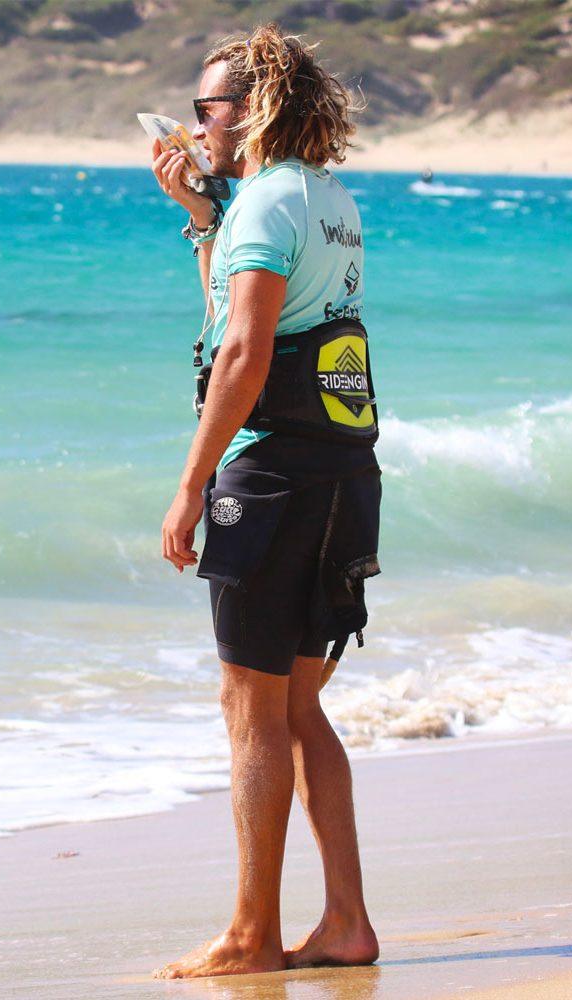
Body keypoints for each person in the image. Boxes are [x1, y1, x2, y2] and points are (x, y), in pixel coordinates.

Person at [150, 23, 381, 980]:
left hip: (272, 475)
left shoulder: (263, 207)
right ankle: (345, 924)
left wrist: (191, 484)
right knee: (297, 711)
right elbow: (245, 322)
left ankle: (251, 935)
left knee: (251, 706)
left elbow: (240, 356)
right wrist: (204, 218)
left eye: (206, 109)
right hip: (343, 472)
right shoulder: (324, 200)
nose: (197, 124)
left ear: (245, 112)